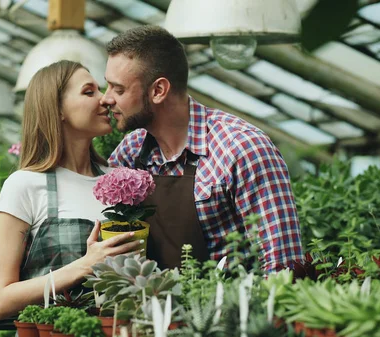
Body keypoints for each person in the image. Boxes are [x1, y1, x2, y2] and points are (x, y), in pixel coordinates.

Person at [100, 26, 303, 273]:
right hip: (150, 305)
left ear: (158, 91)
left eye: (118, 89)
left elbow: (282, 266)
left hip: (229, 307)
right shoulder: (130, 152)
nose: (106, 98)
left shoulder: (241, 147)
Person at [0, 60, 142, 319]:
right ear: (57, 109)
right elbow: (1, 301)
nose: (105, 100)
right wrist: (83, 266)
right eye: (89, 92)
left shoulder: (118, 182)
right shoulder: (24, 185)